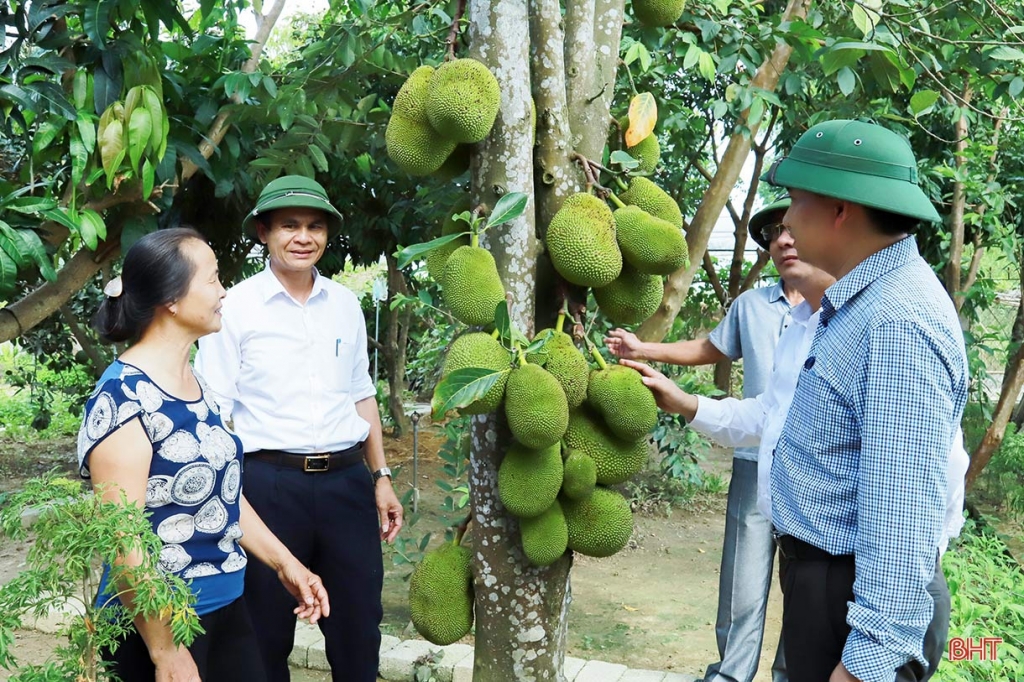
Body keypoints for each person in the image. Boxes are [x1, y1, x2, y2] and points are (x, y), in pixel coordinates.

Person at [620, 235, 967, 680]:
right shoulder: (806, 325)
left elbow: (914, 496)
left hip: (864, 580)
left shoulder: (892, 321)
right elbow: (770, 414)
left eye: (796, 214)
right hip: (810, 565)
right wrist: (686, 402)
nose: (785, 238)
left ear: (842, 223)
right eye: (775, 231)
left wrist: (867, 657)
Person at [753, 119, 966, 682]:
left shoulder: (897, 321)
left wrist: (866, 663)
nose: (788, 221)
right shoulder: (863, 303)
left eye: (795, 202)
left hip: (853, 603)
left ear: (839, 209)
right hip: (826, 586)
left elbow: (903, 514)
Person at [78, 228, 330, 682]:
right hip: (155, 624)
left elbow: (224, 499)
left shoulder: (201, 389)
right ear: (171, 299)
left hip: (227, 606)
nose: (224, 291)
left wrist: (285, 563)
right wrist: (165, 651)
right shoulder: (121, 399)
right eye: (213, 280)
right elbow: (123, 542)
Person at [195, 175, 403, 682]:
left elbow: (362, 393)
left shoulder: (345, 305)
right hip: (267, 486)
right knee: (263, 634)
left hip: (346, 486)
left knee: (358, 629)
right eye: (289, 226)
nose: (303, 237)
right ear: (264, 231)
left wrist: (381, 476)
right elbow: (214, 408)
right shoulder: (235, 308)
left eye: (314, 226)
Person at [606, 197, 798, 682]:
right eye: (774, 233)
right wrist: (641, 347)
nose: (783, 240)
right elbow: (709, 348)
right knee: (741, 587)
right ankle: (728, 676)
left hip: (812, 471)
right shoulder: (751, 305)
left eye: (791, 229)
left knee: (806, 590)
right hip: (755, 462)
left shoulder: (837, 305)